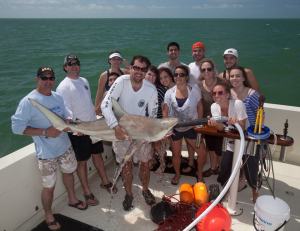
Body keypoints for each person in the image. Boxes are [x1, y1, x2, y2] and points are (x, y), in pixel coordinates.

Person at [11, 66, 87, 231]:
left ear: (54, 79)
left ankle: (72, 199)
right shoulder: (28, 101)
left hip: (65, 147)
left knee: (69, 173)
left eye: (50, 78)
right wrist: (45, 132)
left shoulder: (58, 97)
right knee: (49, 186)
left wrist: (75, 129)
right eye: (43, 78)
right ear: (37, 79)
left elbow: (66, 118)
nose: (47, 81)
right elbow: (16, 128)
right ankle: (48, 214)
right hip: (46, 154)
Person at [56, 54, 116, 207]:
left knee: (98, 155)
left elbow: (87, 103)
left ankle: (105, 182)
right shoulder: (63, 86)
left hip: (92, 126)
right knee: (82, 162)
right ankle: (87, 191)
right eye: (70, 64)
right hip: (79, 130)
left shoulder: (84, 81)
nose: (74, 66)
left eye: (76, 63)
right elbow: (66, 111)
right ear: (65, 67)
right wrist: (77, 127)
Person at [101, 55, 158, 211]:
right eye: (136, 68)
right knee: (125, 166)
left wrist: (148, 134)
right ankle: (129, 193)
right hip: (120, 129)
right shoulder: (121, 82)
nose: (139, 72)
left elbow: (152, 115)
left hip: (141, 131)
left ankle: (145, 190)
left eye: (143, 69)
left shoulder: (151, 89)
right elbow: (105, 104)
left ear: (146, 71)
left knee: (145, 164)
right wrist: (115, 127)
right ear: (131, 68)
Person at [162, 65, 204, 184]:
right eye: (176, 74)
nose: (178, 77)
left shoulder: (194, 89)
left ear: (186, 77)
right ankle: (177, 174)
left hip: (192, 126)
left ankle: (199, 173)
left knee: (201, 153)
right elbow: (165, 110)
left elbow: (200, 105)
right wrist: (167, 128)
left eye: (182, 74)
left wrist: (199, 123)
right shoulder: (169, 93)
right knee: (176, 154)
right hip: (176, 128)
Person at [229, 65, 260, 202]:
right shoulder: (228, 93)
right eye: (232, 76)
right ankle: (239, 181)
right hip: (235, 132)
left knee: (251, 164)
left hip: (250, 135)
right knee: (234, 160)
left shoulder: (252, 94)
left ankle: (255, 190)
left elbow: (260, 114)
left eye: (237, 76)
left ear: (243, 78)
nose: (234, 78)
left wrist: (255, 134)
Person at [208, 82, 247, 188]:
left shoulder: (238, 104)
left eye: (220, 93)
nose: (216, 96)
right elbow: (221, 128)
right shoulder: (214, 107)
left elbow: (243, 127)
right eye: (214, 93)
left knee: (243, 167)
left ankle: (242, 175)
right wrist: (215, 125)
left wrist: (236, 122)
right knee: (223, 175)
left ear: (227, 95)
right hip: (229, 140)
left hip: (242, 139)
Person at [197, 59, 225, 180]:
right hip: (206, 121)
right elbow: (198, 103)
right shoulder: (199, 85)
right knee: (211, 146)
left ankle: (221, 168)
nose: (206, 71)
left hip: (221, 120)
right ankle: (214, 167)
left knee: (221, 147)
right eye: (203, 70)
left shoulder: (222, 83)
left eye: (209, 69)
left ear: (214, 70)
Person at [95, 51, 127, 115]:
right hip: (110, 106)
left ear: (121, 61)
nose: (116, 61)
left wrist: (127, 65)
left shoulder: (125, 72)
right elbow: (99, 94)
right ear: (109, 61)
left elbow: (138, 74)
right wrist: (97, 109)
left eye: (118, 59)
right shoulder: (104, 75)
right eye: (113, 59)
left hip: (122, 105)